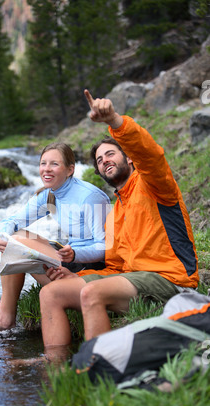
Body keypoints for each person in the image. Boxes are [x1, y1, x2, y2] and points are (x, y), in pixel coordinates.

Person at [39, 89, 199, 359]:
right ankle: (56, 369)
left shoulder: (155, 185)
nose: (104, 162)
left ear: (130, 158)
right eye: (99, 160)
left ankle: (99, 371)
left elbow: (151, 155)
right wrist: (75, 275)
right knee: (51, 293)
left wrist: (114, 121)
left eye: (110, 154)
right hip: (132, 280)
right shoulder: (114, 211)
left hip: (170, 280)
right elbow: (116, 266)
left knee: (92, 292)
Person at [0, 142, 111, 330]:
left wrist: (74, 253)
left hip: (89, 268)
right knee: (15, 237)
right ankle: (4, 312)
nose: (46, 169)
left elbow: (105, 248)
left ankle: (4, 316)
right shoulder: (49, 194)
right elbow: (13, 221)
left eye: (54, 164)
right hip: (69, 256)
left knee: (18, 243)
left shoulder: (90, 197)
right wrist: (1, 236)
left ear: (70, 169)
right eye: (43, 163)